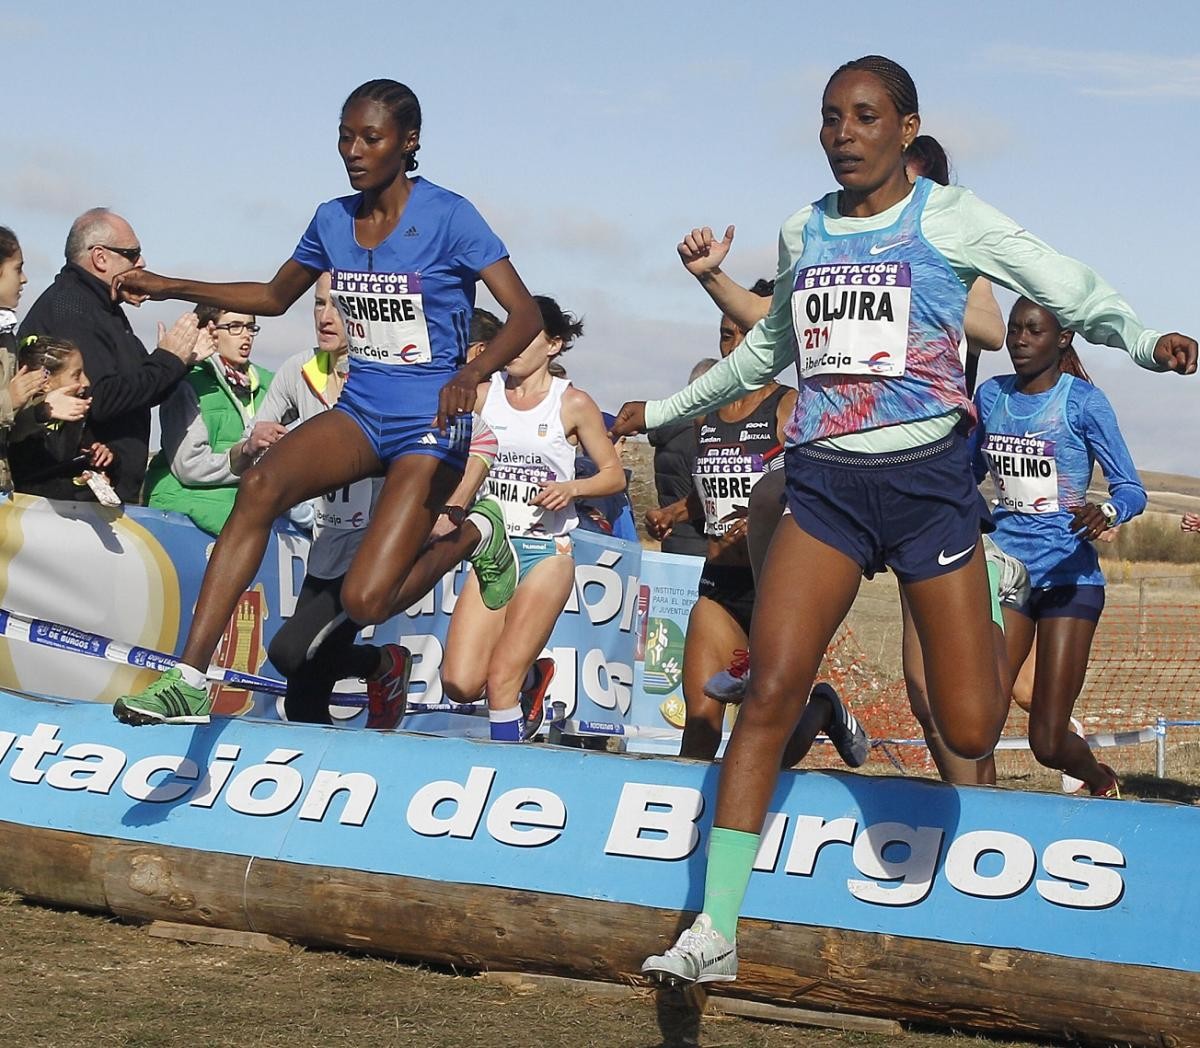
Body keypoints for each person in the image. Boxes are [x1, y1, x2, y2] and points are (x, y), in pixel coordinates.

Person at [611, 55, 1195, 986]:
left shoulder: (951, 218)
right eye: (830, 117)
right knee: (769, 693)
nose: (842, 134)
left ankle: (989, 597)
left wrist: (1143, 339)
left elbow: (1062, 281)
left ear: (907, 128)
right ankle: (714, 929)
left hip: (930, 491)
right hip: (828, 487)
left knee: (968, 723)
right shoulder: (803, 228)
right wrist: (666, 411)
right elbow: (769, 348)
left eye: (865, 116)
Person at [108, 78, 541, 725]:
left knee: (366, 603)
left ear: (409, 142)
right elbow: (273, 296)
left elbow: (525, 315)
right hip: (363, 411)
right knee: (260, 485)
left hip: (431, 422)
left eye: (371, 137)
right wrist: (171, 284)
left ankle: (475, 532)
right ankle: (189, 680)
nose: (354, 151)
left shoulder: (450, 216)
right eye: (345, 137)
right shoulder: (333, 219)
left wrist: (473, 371)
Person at [262, 273, 501, 728]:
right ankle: (382, 665)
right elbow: (249, 451)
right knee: (302, 702)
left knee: (289, 653)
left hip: (375, 547)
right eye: (318, 304)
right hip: (328, 542)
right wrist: (254, 445)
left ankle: (476, 533)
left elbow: (482, 438)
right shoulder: (298, 371)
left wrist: (456, 506)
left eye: (339, 307)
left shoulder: (394, 378)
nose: (326, 317)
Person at [974, 297, 1147, 797]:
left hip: (1070, 579)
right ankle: (980, 808)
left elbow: (1131, 489)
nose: (1020, 341)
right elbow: (966, 472)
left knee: (1047, 743)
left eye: (1034, 331)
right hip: (1009, 574)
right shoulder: (991, 396)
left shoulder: (1083, 403)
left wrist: (1107, 512)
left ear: (1063, 338)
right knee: (980, 716)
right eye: (1014, 330)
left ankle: (1101, 779)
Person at [441, 296, 625, 742]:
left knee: (499, 681)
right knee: (460, 682)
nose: (515, 346)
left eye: (528, 338)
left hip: (546, 551)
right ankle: (533, 680)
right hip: (491, 550)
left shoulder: (572, 402)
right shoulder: (484, 395)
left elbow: (614, 475)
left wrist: (572, 489)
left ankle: (504, 768)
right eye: (511, 336)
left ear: (554, 345)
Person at [18, 208, 206, 503]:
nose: (141, 263)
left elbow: (139, 390)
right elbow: (101, 398)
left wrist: (180, 360)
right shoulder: (72, 308)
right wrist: (168, 359)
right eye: (132, 254)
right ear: (100, 257)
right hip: (70, 500)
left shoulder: (101, 307)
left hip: (101, 495)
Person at [145, 307, 273, 534]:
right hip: (188, 507)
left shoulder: (268, 386)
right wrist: (244, 459)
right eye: (235, 327)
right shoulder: (187, 381)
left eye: (250, 327)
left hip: (244, 500)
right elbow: (189, 465)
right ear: (209, 331)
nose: (246, 335)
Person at [9, 336, 116, 503]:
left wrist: (102, 461)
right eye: (76, 375)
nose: (86, 382)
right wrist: (79, 484)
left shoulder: (76, 419)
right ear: (45, 382)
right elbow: (30, 487)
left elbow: (72, 467)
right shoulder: (18, 428)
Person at [645, 359, 713, 558]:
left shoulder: (668, 435)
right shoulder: (699, 436)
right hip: (702, 544)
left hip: (672, 539)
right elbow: (706, 494)